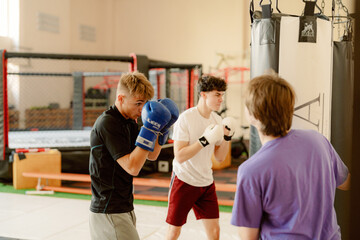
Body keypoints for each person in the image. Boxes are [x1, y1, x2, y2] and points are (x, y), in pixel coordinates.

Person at [231, 73, 351, 240]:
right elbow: (347, 183)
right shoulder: (318, 141)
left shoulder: (251, 170)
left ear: (254, 116)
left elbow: (248, 236)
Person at [89, 72, 179, 240]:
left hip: (124, 206)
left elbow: (151, 155)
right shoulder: (108, 123)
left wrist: (161, 130)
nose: (141, 109)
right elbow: (132, 167)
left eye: (144, 104)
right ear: (121, 98)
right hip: (109, 209)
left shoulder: (130, 122)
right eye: (138, 103)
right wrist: (150, 128)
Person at [166, 75, 237, 240]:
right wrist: (204, 141)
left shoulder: (217, 120)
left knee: (214, 233)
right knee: (173, 232)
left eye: (222, 95)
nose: (221, 99)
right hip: (183, 180)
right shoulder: (186, 118)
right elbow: (180, 155)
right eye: (217, 94)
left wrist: (227, 138)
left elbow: (219, 157)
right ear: (204, 94)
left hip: (206, 183)